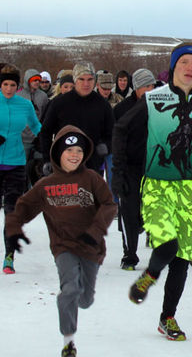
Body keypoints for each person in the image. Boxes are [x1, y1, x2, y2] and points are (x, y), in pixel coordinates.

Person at [120, 42, 192, 341]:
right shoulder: (154, 98)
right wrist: (120, 177)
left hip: (190, 187)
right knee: (167, 245)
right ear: (173, 67)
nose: (190, 68)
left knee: (181, 259)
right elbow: (121, 130)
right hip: (156, 185)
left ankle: (167, 318)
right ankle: (149, 276)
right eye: (184, 63)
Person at [4, 125, 116, 357]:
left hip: (91, 247)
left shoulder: (92, 179)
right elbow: (23, 208)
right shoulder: (47, 185)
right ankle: (68, 342)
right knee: (70, 289)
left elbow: (109, 205)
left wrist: (96, 231)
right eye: (69, 150)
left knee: (84, 299)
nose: (74, 155)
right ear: (58, 153)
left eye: (79, 150)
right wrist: (13, 229)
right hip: (63, 247)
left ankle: (78, 300)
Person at [112, 68, 156, 270]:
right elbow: (117, 141)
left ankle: (159, 249)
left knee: (151, 210)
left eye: (152, 86)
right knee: (129, 211)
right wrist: (118, 172)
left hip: (153, 166)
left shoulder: (158, 106)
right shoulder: (123, 109)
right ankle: (129, 255)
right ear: (136, 88)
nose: (150, 90)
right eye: (146, 86)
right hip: (129, 165)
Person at [0, 64, 42, 274]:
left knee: (11, 211)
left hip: (16, 162)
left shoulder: (24, 105)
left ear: (17, 86)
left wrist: (53, 144)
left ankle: (9, 257)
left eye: (12, 85)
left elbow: (37, 128)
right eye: (5, 84)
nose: (8, 88)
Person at [40, 62, 114, 173]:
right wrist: (47, 159)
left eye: (90, 79)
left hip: (92, 165)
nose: (86, 84)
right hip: (64, 164)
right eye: (81, 79)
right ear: (75, 80)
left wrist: (106, 146)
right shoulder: (59, 103)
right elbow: (45, 132)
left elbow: (113, 133)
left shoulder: (102, 105)